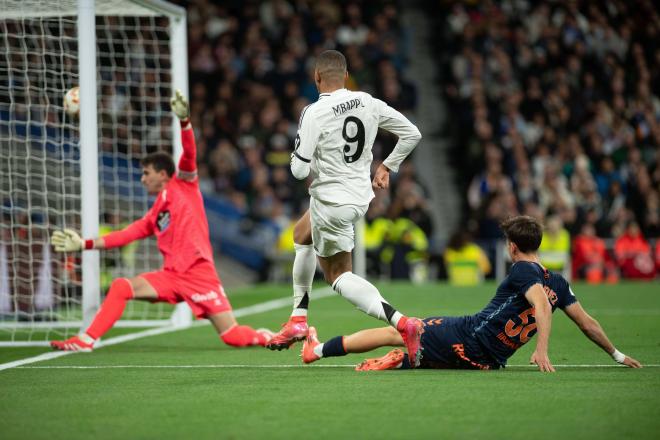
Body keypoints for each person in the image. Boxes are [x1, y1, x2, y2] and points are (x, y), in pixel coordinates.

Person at [49, 90, 272, 352]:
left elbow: (189, 154)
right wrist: (84, 244)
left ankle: (271, 337)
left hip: (199, 274)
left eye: (146, 173)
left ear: (163, 174)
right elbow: (126, 234)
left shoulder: (185, 184)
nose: (142, 179)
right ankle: (85, 341)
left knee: (233, 336)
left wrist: (185, 122)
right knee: (121, 287)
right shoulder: (156, 212)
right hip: (172, 276)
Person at [301, 216, 642, 372]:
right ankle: (407, 361)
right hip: (489, 361)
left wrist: (541, 350)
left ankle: (315, 351)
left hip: (468, 337)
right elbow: (586, 323)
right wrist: (616, 354)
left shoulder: (523, 270)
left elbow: (540, 305)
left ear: (512, 247)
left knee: (400, 330)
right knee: (417, 347)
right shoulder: (560, 283)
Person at [266, 50, 425, 366]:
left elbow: (299, 172)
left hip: (331, 201)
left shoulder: (314, 112)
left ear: (317, 77)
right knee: (301, 233)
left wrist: (298, 156)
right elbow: (412, 133)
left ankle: (402, 323)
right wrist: (387, 167)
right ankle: (297, 317)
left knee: (338, 276)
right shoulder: (367, 101)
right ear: (346, 74)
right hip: (359, 198)